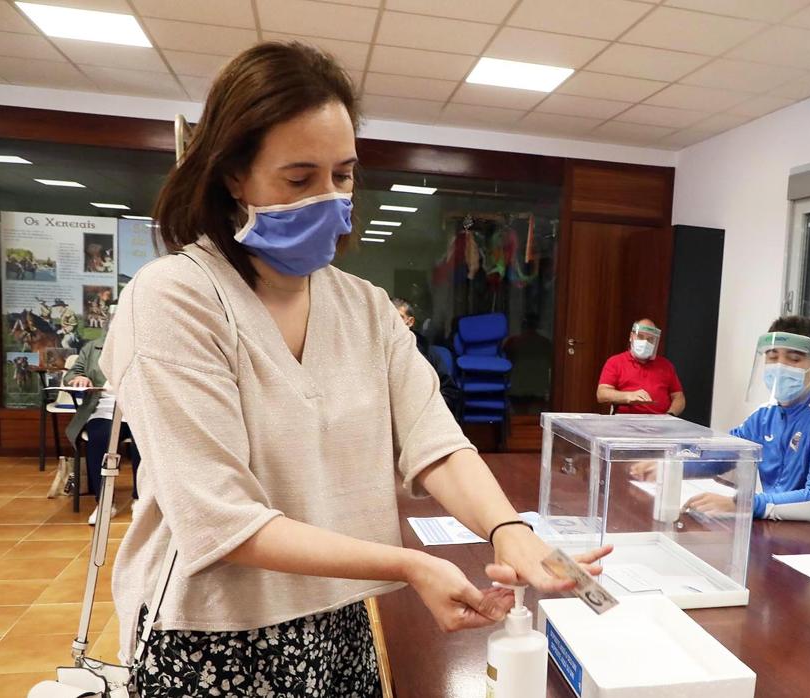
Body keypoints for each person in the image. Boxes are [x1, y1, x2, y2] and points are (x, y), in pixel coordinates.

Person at [102, 41, 609, 697]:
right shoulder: (176, 298)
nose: (329, 198)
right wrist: (408, 565)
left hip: (338, 613)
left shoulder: (364, 308)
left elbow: (435, 442)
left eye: (342, 175)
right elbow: (218, 520)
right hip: (209, 633)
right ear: (233, 175)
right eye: (299, 177)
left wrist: (509, 530)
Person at [636, 316, 810, 542]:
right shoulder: (766, 414)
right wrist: (672, 465)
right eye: (772, 357)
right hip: (777, 529)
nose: (779, 367)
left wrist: (742, 504)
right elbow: (726, 452)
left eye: (793, 359)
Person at [65, 305, 140, 525]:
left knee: (143, 441)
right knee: (99, 438)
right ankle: (104, 502)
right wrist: (79, 379)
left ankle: (140, 499)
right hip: (103, 410)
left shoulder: (144, 347)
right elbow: (72, 373)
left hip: (136, 411)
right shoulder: (92, 348)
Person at [596, 319, 685, 416]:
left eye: (650, 339)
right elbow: (602, 394)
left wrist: (670, 415)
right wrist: (628, 396)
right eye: (640, 336)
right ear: (631, 336)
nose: (645, 342)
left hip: (660, 422)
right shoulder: (615, 362)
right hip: (626, 422)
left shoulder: (666, 365)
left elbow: (679, 397)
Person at [392, 297, 460, 412]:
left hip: (422, 416)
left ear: (410, 322)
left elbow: (449, 391)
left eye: (399, 318)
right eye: (389, 317)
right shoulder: (375, 351)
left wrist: (430, 413)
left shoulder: (427, 353)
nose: (392, 322)